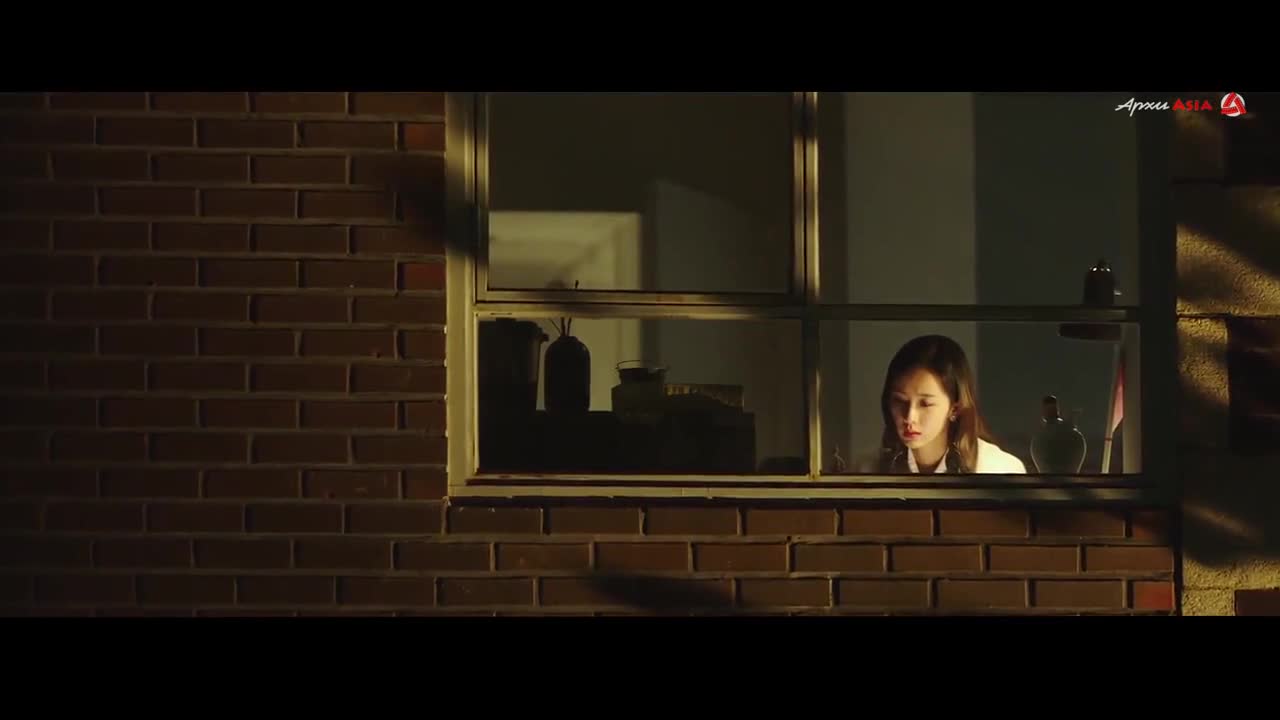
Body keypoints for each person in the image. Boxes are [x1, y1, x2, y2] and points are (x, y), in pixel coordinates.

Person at [851, 335, 1026, 475]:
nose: (910, 417)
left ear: (954, 408)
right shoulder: (868, 470)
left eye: (925, 404)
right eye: (900, 401)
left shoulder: (997, 469)